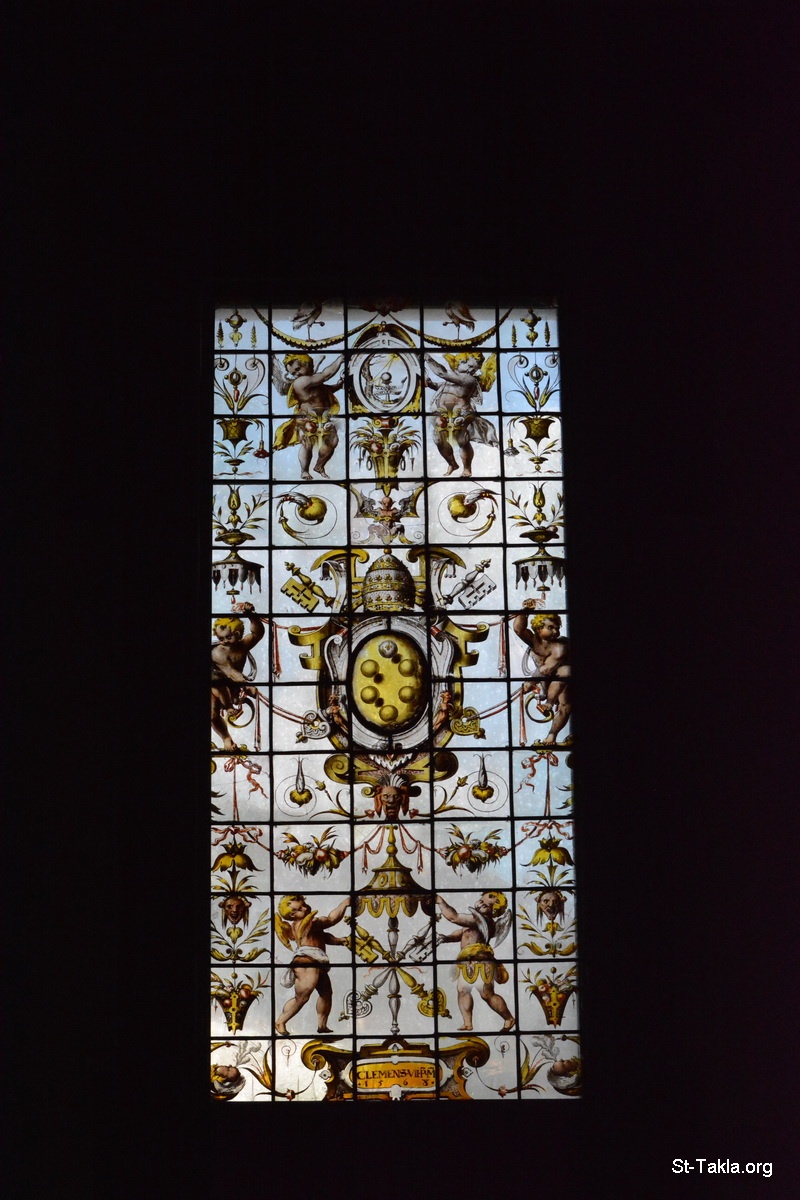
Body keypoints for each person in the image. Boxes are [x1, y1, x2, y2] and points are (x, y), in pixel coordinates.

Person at [435, 890, 515, 1031]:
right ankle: (468, 1023)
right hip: (466, 961)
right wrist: (446, 938)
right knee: (463, 991)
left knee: (487, 994)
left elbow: (454, 917)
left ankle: (509, 1018)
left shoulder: (483, 921)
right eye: (482, 901)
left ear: (494, 910)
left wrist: (440, 902)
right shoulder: (474, 921)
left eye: (486, 905)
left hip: (482, 961)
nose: (481, 904)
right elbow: (462, 933)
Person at [274, 893, 351, 1035]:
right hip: (307, 961)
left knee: (326, 993)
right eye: (299, 909)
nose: (304, 908)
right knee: (302, 997)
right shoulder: (312, 922)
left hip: (315, 961)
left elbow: (323, 937)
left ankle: (322, 1026)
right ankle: (280, 1021)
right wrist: (344, 904)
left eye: (303, 905)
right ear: (292, 915)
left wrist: (340, 941)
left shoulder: (304, 926)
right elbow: (332, 919)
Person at [425, 352, 498, 477]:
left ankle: (467, 469)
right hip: (444, 412)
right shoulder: (454, 379)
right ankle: (452, 464)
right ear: (459, 362)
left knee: (461, 439)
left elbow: (442, 373)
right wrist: (431, 384)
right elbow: (441, 387)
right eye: (469, 365)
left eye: (474, 369)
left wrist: (427, 358)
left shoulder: (469, 379)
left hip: (461, 414)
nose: (470, 370)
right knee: (438, 439)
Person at [272, 352, 343, 480]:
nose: (296, 374)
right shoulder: (301, 381)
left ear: (307, 364)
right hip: (307, 417)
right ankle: (304, 471)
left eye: (298, 369)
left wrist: (338, 385)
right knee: (307, 443)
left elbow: (324, 390)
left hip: (323, 417)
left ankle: (319, 466)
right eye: (293, 373)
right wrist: (340, 359)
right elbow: (326, 375)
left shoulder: (312, 380)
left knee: (332, 441)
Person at [512, 607, 571, 744]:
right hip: (545, 678)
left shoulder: (560, 647)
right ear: (539, 629)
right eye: (551, 628)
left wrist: (531, 682)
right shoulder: (534, 640)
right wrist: (525, 611)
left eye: (557, 628)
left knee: (565, 705)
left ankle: (552, 734)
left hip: (564, 678)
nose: (555, 631)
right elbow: (518, 629)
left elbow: (546, 669)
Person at [211, 602, 265, 752]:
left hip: (233, 687)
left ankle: (229, 710)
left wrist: (251, 616)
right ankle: (226, 738)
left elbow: (258, 634)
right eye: (221, 638)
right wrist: (247, 685)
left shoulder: (242, 645)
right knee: (212, 714)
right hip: (216, 686)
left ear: (238, 633)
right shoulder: (217, 652)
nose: (224, 641)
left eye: (228, 637)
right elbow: (230, 672)